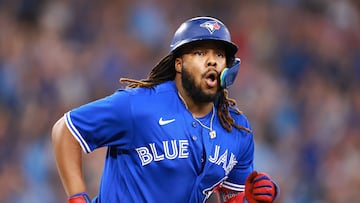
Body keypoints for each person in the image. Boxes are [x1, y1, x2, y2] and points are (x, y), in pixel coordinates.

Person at [52, 16, 279, 203]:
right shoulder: (139, 105)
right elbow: (66, 130)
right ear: (178, 63)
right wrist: (77, 197)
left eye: (219, 55)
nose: (212, 61)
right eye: (200, 53)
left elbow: (230, 198)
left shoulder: (236, 129)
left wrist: (250, 199)